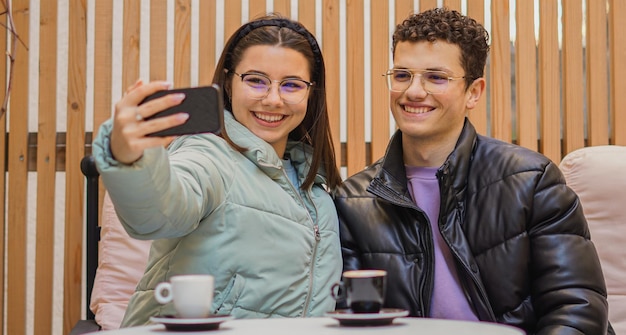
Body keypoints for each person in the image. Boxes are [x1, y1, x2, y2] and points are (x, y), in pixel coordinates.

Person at [333, 7, 612, 334]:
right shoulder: (353, 201)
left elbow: (577, 310)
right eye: (402, 74)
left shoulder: (532, 181)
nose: (414, 91)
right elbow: (355, 321)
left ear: (473, 92)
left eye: (436, 77)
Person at [91, 14, 343, 327]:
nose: (273, 99)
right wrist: (129, 158)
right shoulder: (208, 155)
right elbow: (158, 211)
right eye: (255, 80)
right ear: (228, 82)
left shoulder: (318, 190)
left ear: (310, 92)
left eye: (291, 85)